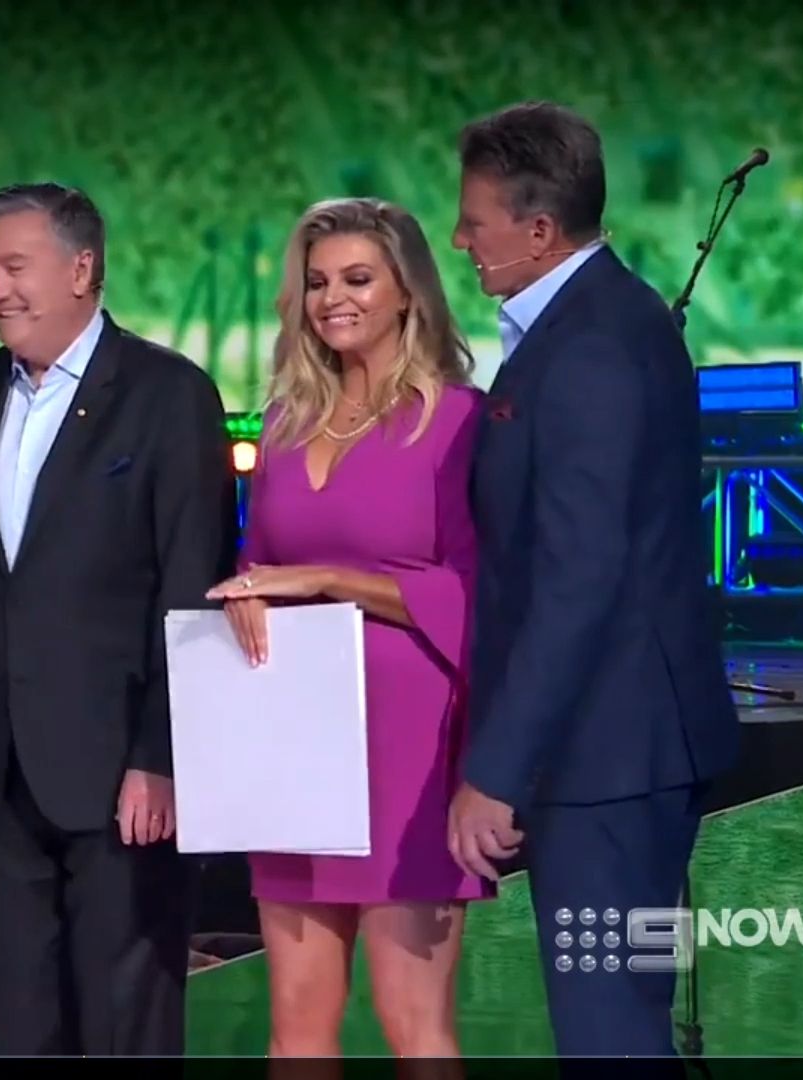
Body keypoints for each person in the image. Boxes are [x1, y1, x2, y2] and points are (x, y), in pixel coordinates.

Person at [0, 181, 238, 1055]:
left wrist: (162, 757)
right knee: (22, 1029)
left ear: (81, 270)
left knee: (123, 1027)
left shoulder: (168, 394)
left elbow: (193, 589)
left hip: (124, 779)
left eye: (15, 267)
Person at [444, 101, 742, 1057]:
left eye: (474, 221)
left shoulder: (593, 347)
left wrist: (496, 771)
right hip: (616, 748)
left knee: (609, 1035)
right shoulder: (594, 320)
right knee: (616, 1030)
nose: (459, 240)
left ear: (539, 230)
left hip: (610, 756)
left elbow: (581, 577)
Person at [204, 197, 488, 1059]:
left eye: (358, 279)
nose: (334, 299)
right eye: (319, 282)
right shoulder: (284, 425)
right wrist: (248, 595)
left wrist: (328, 581)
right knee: (296, 1027)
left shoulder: (458, 420)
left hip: (410, 749)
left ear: (408, 292)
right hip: (294, 742)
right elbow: (257, 562)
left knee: (414, 1026)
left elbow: (476, 591)